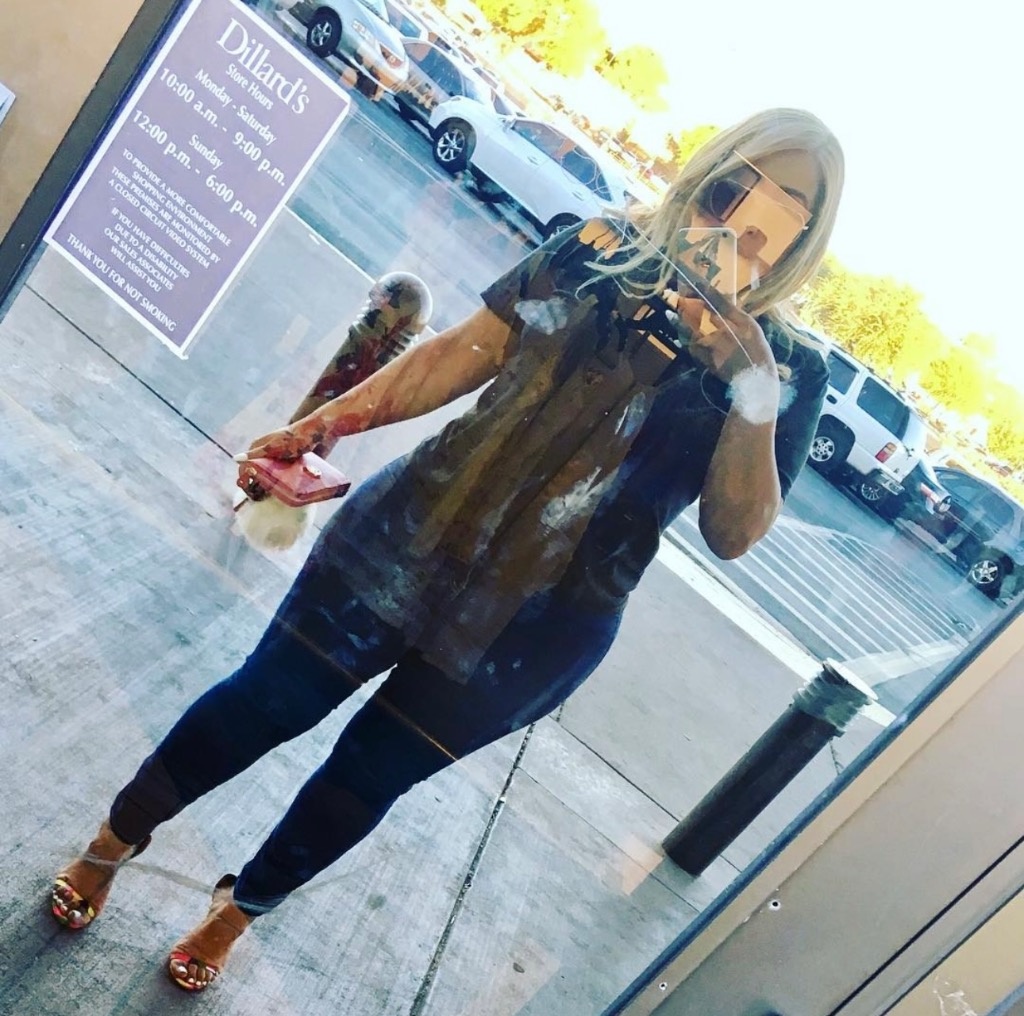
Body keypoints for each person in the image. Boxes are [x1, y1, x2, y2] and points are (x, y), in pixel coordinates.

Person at [50, 107, 843, 992]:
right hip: (405, 538)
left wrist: (751, 386)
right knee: (260, 702)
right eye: (738, 183)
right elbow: (465, 351)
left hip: (533, 634)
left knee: (364, 781)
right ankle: (111, 844)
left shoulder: (788, 370)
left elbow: (736, 532)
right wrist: (323, 424)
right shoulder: (598, 248)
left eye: (786, 209)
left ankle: (235, 914)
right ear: (708, 171)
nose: (747, 219)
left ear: (805, 238)